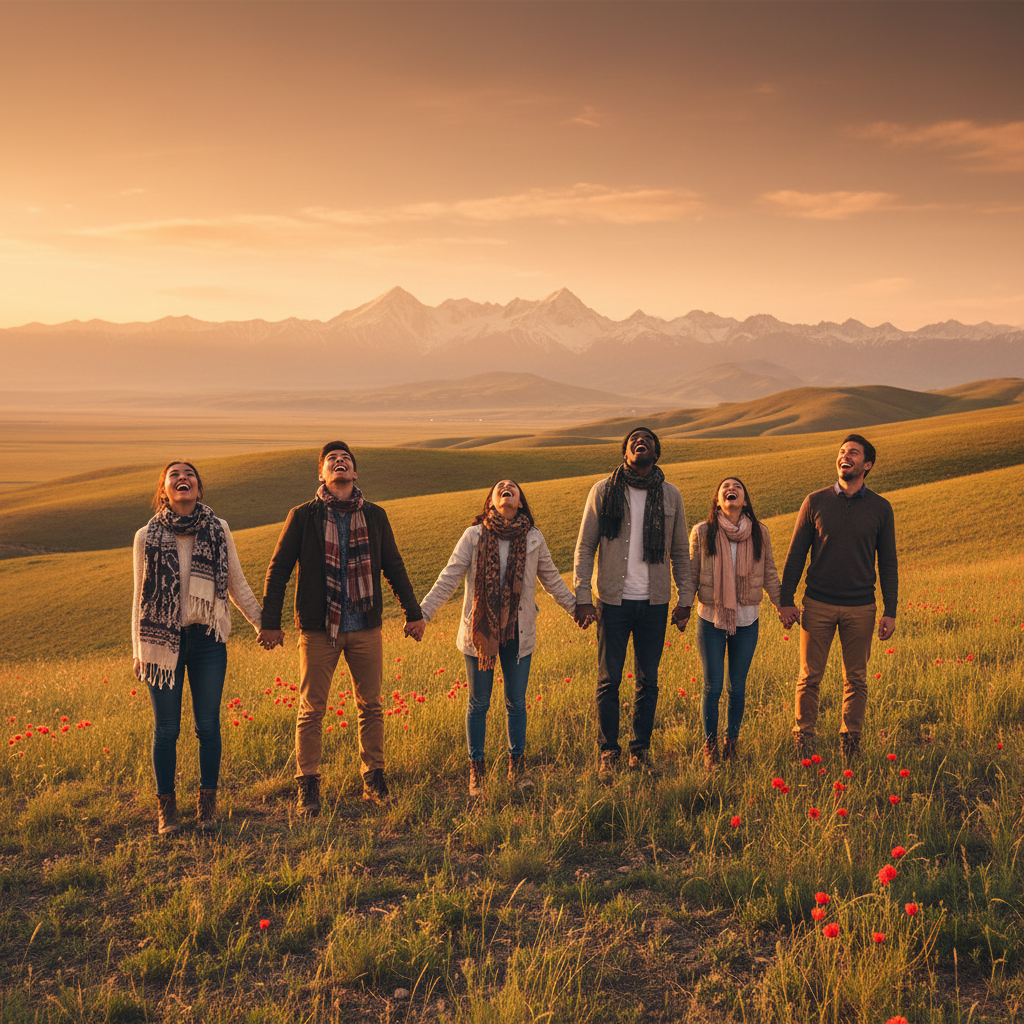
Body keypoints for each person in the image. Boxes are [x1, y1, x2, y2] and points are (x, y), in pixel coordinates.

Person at [259, 441, 423, 814]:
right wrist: (271, 622)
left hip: (365, 625)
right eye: (331, 460)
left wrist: (412, 613)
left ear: (355, 473)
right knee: (312, 708)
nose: (339, 462)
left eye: (345, 459)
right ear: (321, 473)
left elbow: (393, 567)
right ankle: (309, 787)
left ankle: (374, 780)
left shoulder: (376, 516)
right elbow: (279, 568)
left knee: (372, 705)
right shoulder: (303, 516)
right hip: (319, 628)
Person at [417, 479, 577, 797]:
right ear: (491, 502)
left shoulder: (533, 538)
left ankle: (516, 769)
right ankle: (477, 771)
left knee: (516, 702)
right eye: (500, 487)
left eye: (512, 487)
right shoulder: (473, 536)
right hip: (481, 634)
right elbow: (449, 577)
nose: (506, 488)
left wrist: (577, 609)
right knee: (479, 703)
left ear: (520, 502)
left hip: (519, 632)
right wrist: (422, 614)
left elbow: (552, 579)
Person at [132, 461, 263, 835]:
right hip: (161, 640)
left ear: (199, 489)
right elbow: (139, 597)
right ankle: (167, 810)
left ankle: (207, 806)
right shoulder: (146, 536)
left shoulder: (218, 530)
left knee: (207, 726)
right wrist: (139, 651)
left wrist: (261, 623)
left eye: (189, 474)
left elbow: (236, 581)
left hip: (207, 639)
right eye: (174, 475)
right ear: (164, 490)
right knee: (166, 730)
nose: (182, 478)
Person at [573, 427, 694, 780]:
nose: (639, 443)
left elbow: (681, 553)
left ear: (656, 452)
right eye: (632, 440)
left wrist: (685, 599)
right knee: (609, 680)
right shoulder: (604, 491)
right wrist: (582, 596)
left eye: (647, 440)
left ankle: (639, 750)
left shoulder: (671, 496)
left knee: (648, 679)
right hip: (611, 600)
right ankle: (608, 751)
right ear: (625, 452)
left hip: (654, 601)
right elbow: (584, 548)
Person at [779, 434, 898, 762]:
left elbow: (887, 562)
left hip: (862, 607)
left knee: (856, 678)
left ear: (867, 465)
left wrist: (891, 609)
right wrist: (786, 599)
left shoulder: (880, 508)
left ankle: (851, 742)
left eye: (854, 453)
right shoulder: (814, 501)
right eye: (842, 452)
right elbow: (796, 554)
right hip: (816, 604)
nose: (845, 456)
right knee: (809, 676)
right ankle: (804, 739)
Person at [689, 477, 782, 770]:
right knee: (712, 686)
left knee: (737, 687)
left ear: (745, 500)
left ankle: (732, 742)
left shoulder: (759, 533)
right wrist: (682, 607)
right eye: (725, 487)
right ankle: (710, 747)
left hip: (747, 619)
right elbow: (691, 573)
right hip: (711, 618)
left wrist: (783, 605)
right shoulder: (703, 532)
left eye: (738, 487)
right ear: (718, 499)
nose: (732, 489)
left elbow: (769, 572)